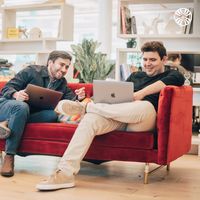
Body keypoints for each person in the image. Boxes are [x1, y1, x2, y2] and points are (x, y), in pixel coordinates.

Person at [36, 41, 185, 191]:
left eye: (152, 60)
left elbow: (177, 80)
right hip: (120, 116)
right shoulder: (135, 76)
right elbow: (120, 97)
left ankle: (85, 107)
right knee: (90, 119)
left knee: (144, 105)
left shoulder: (173, 74)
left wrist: (140, 94)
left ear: (164, 59)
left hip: (142, 120)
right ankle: (65, 174)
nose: (147, 63)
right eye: (145, 59)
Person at [0, 50, 86, 177]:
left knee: (52, 115)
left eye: (67, 67)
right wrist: (16, 94)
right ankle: (9, 156)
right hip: (9, 105)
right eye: (61, 64)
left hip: (28, 114)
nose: (64, 69)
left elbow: (70, 102)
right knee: (22, 107)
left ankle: (7, 123)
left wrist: (79, 97)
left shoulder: (61, 83)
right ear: (50, 63)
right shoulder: (31, 71)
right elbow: (6, 89)